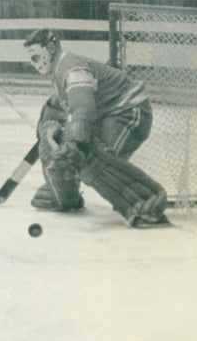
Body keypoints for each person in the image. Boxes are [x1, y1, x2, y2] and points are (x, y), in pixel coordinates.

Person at [23, 29, 169, 227]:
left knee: (90, 156)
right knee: (65, 148)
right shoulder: (60, 69)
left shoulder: (71, 68)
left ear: (51, 47)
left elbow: (83, 107)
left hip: (129, 112)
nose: (36, 64)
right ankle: (66, 195)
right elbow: (57, 107)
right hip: (110, 115)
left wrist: (75, 145)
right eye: (32, 60)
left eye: (37, 57)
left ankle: (147, 203)